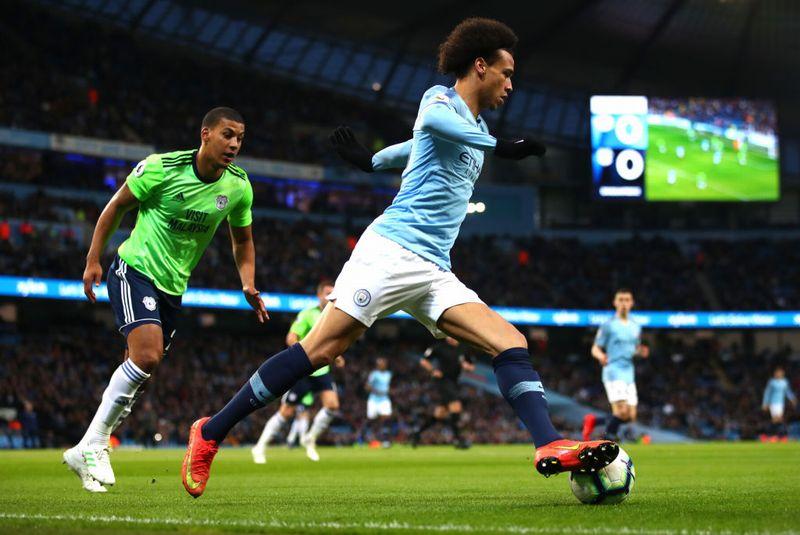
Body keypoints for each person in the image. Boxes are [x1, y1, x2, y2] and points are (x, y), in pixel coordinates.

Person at [182, 18, 617, 498]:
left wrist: (372, 160)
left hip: (434, 269)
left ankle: (548, 444)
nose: (511, 85)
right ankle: (210, 432)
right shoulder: (440, 100)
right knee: (319, 351)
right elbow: (430, 125)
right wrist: (503, 147)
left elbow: (415, 147)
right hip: (390, 252)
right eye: (506, 72)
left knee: (509, 341)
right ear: (480, 66)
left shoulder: (476, 127)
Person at [63, 107, 267, 493]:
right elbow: (116, 206)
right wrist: (93, 259)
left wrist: (247, 283)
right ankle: (94, 444)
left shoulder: (239, 187)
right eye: (227, 135)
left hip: (173, 289)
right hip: (134, 269)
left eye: (240, 138)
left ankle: (87, 447)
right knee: (147, 356)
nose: (234, 144)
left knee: (140, 370)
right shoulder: (161, 168)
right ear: (205, 134)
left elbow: (243, 240)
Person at [251, 281, 344, 463]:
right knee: (286, 412)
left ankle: (310, 439)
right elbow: (291, 338)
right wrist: (304, 356)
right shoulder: (308, 314)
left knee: (332, 405)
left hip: (322, 370)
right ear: (319, 295)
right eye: (327, 293)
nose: (330, 297)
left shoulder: (334, 316)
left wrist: (337, 356)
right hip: (305, 371)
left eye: (333, 293)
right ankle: (259, 447)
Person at [582, 289, 649, 442]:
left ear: (632, 303)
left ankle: (594, 421)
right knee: (622, 411)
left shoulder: (636, 326)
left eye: (627, 300)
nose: (624, 303)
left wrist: (640, 351)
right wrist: (601, 356)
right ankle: (609, 439)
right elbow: (595, 348)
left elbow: (633, 349)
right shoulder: (608, 325)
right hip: (613, 370)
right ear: (615, 303)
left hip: (628, 372)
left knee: (631, 416)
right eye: (621, 300)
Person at [411, 337, 474, 449]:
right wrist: (433, 370)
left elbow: (471, 366)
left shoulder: (463, 349)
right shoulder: (439, 347)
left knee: (439, 414)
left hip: (454, 382)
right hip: (443, 381)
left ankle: (416, 434)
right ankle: (458, 440)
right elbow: (424, 361)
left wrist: (467, 367)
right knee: (456, 407)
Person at [761, 366, 796, 441]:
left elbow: (788, 391)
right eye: (777, 373)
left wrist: (792, 398)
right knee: (776, 419)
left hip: (781, 403)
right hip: (773, 403)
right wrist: (765, 403)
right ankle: (772, 435)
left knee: (778, 420)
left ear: (783, 373)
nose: (778, 374)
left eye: (780, 373)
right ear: (775, 373)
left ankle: (775, 435)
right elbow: (767, 393)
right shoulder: (772, 382)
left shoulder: (785, 382)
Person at [365, 357, 393, 445]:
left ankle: (385, 440)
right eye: (379, 364)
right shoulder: (374, 374)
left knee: (386, 418)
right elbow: (367, 387)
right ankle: (370, 438)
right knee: (372, 419)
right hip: (373, 399)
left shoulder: (389, 374)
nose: (381, 365)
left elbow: (390, 385)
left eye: (383, 363)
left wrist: (391, 391)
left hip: (384, 399)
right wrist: (376, 391)